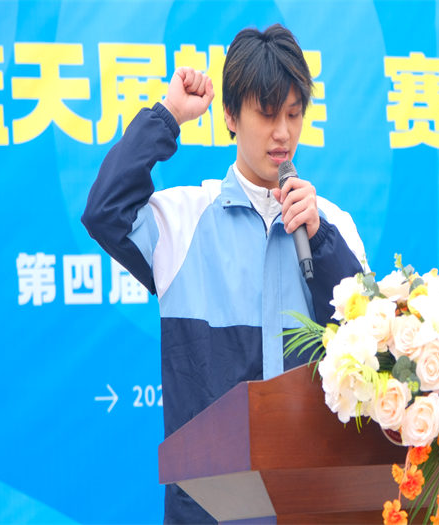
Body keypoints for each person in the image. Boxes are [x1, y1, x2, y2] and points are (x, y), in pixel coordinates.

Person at [82, 24, 367, 523]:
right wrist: (168, 115)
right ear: (231, 116)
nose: (283, 133)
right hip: (209, 511)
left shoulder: (333, 226)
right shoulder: (184, 219)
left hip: (313, 507)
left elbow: (368, 350)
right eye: (267, 113)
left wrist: (321, 242)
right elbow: (105, 211)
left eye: (294, 114)